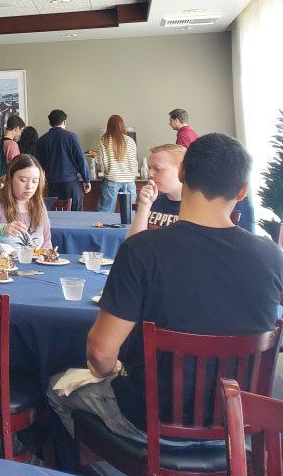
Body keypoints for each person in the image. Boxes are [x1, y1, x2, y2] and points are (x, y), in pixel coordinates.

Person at [46, 134, 283, 462]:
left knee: (56, 389)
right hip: (236, 419)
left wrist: (113, 369)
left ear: (183, 175)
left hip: (150, 419)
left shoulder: (142, 250)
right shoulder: (272, 255)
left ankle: (119, 464)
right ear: (242, 191)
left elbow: (100, 353)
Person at [0, 154, 51, 254]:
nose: (29, 186)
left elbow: (46, 242)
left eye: (35, 181)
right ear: (10, 178)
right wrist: (2, 230)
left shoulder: (38, 205)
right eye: (23, 180)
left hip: (32, 268)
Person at [35, 109, 91, 211]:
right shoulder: (71, 137)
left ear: (50, 122)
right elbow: (81, 159)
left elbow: (38, 166)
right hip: (70, 183)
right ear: (64, 121)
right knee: (76, 216)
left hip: (52, 185)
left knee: (55, 217)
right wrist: (86, 180)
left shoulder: (42, 140)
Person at [127, 144, 185, 236]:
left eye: (158, 169)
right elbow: (133, 242)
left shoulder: (193, 207)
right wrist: (144, 205)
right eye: (149, 168)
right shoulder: (154, 200)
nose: (150, 174)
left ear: (181, 170)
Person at [96, 114, 138, 213]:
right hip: (129, 181)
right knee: (129, 213)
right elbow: (134, 162)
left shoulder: (104, 140)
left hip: (112, 179)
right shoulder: (130, 141)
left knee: (106, 211)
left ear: (109, 126)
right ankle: (128, 229)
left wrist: (96, 158)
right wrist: (131, 175)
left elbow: (102, 162)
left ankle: (103, 229)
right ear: (122, 126)